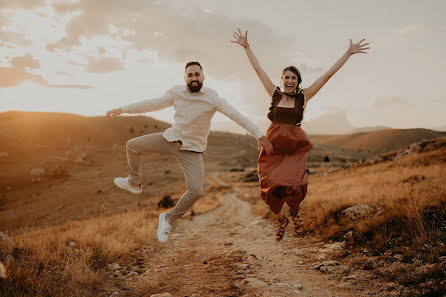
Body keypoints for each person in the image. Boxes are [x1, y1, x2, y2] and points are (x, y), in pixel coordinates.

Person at [106, 61, 273, 243]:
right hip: (170, 139)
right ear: (185, 78)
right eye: (190, 75)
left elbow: (236, 115)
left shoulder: (212, 98)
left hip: (191, 150)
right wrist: (122, 109)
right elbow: (152, 104)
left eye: (197, 75)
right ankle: (134, 182)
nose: (194, 78)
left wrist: (259, 135)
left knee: (195, 191)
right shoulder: (176, 92)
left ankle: (168, 218)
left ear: (203, 77)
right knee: (132, 145)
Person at [231, 28, 370, 241]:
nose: (289, 80)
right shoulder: (274, 95)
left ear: (298, 81)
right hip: (273, 145)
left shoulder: (304, 97)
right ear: (282, 79)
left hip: (294, 146)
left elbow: (327, 75)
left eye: (293, 78)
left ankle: (294, 213)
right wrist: (247, 47)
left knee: (292, 184)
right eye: (286, 77)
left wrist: (348, 53)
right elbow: (258, 70)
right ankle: (281, 219)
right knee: (268, 187)